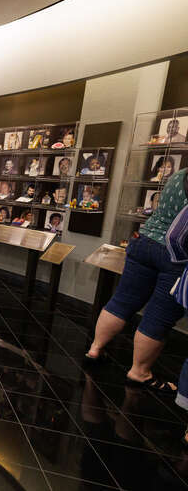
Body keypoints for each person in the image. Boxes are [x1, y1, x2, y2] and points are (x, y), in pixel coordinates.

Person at [85, 168, 188, 393]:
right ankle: (140, 372)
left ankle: (95, 348)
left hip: (144, 239)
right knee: (159, 314)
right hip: (177, 253)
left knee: (122, 300)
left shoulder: (180, 174)